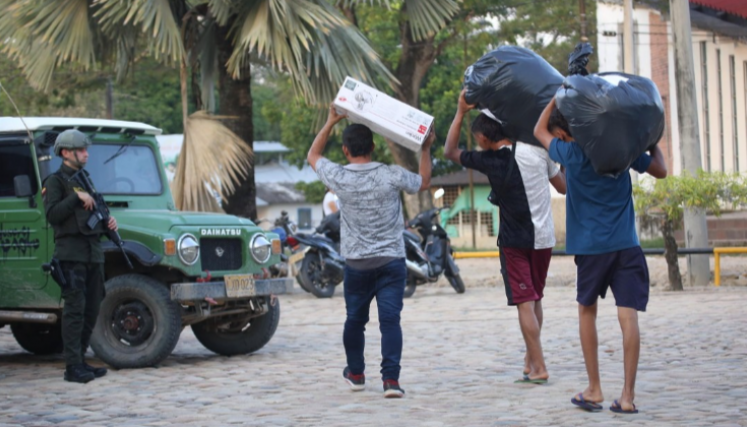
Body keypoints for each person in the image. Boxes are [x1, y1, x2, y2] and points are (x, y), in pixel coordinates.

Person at [534, 98, 667, 413]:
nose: (561, 139)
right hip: (626, 245)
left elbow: (538, 129)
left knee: (586, 312)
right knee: (628, 315)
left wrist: (559, 93)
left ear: (568, 130)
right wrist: (651, 141)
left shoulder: (571, 153)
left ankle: (593, 389)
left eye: (562, 134)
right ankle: (627, 397)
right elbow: (661, 170)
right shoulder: (621, 148)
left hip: (591, 249)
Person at [307, 104, 435, 398]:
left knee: (355, 320)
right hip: (391, 262)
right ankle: (391, 381)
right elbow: (424, 182)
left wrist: (329, 121)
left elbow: (313, 156)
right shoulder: (391, 175)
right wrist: (426, 148)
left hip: (357, 265)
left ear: (345, 150)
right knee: (390, 321)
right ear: (374, 147)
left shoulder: (339, 177)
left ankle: (356, 374)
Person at [444, 89, 566, 385]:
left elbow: (450, 152)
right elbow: (562, 187)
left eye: (477, 141)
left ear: (484, 139)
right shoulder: (539, 149)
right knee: (535, 298)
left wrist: (460, 112)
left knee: (525, 302)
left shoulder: (490, 161)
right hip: (545, 239)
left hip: (515, 242)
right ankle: (530, 362)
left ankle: (540, 367)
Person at [43, 129, 117, 384]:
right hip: (71, 255)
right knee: (75, 310)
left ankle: (81, 360)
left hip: (93, 254)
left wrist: (108, 222)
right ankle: (72, 366)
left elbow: (94, 213)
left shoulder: (85, 178)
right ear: (66, 152)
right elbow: (52, 215)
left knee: (92, 308)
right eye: (81, 150)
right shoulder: (55, 181)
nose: (86, 154)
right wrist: (75, 197)